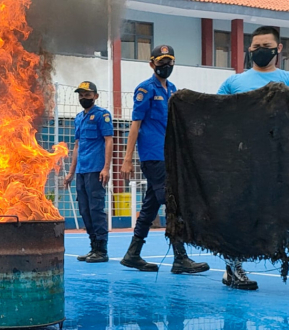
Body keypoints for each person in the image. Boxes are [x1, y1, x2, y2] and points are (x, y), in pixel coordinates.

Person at [120, 45, 210, 274]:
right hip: (153, 155)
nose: (165, 66)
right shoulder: (145, 89)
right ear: (152, 64)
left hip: (168, 155)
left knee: (151, 204)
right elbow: (135, 124)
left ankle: (133, 254)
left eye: (169, 62)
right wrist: (127, 158)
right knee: (171, 201)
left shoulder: (172, 90)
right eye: (161, 62)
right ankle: (180, 258)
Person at [216, 26, 289, 290]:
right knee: (239, 215)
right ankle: (233, 270)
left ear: (278, 48)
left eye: (266, 46)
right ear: (249, 48)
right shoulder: (233, 83)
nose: (260, 51)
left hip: (281, 163)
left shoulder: (287, 80)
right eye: (256, 46)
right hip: (242, 162)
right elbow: (217, 118)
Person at [64, 81, 113, 263]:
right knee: (84, 210)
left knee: (96, 210)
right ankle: (93, 247)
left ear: (96, 96)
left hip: (96, 170)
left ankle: (102, 249)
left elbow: (109, 140)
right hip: (81, 171)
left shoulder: (102, 116)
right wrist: (70, 173)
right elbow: (77, 146)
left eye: (87, 95)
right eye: (81, 95)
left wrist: (106, 167)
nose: (84, 98)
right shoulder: (79, 118)